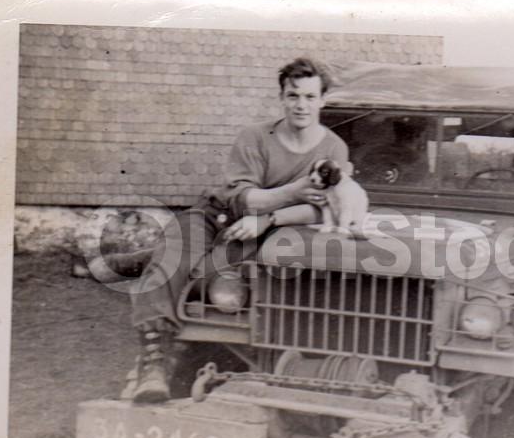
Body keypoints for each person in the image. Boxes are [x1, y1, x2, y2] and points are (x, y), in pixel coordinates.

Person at [128, 57, 349, 403]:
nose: (301, 105)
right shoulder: (255, 137)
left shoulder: (334, 148)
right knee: (171, 258)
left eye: (309, 97)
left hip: (265, 230)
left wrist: (270, 218)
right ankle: (152, 365)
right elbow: (244, 200)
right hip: (217, 216)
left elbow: (323, 207)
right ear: (282, 98)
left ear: (323, 100)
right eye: (293, 96)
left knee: (215, 280)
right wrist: (291, 191)